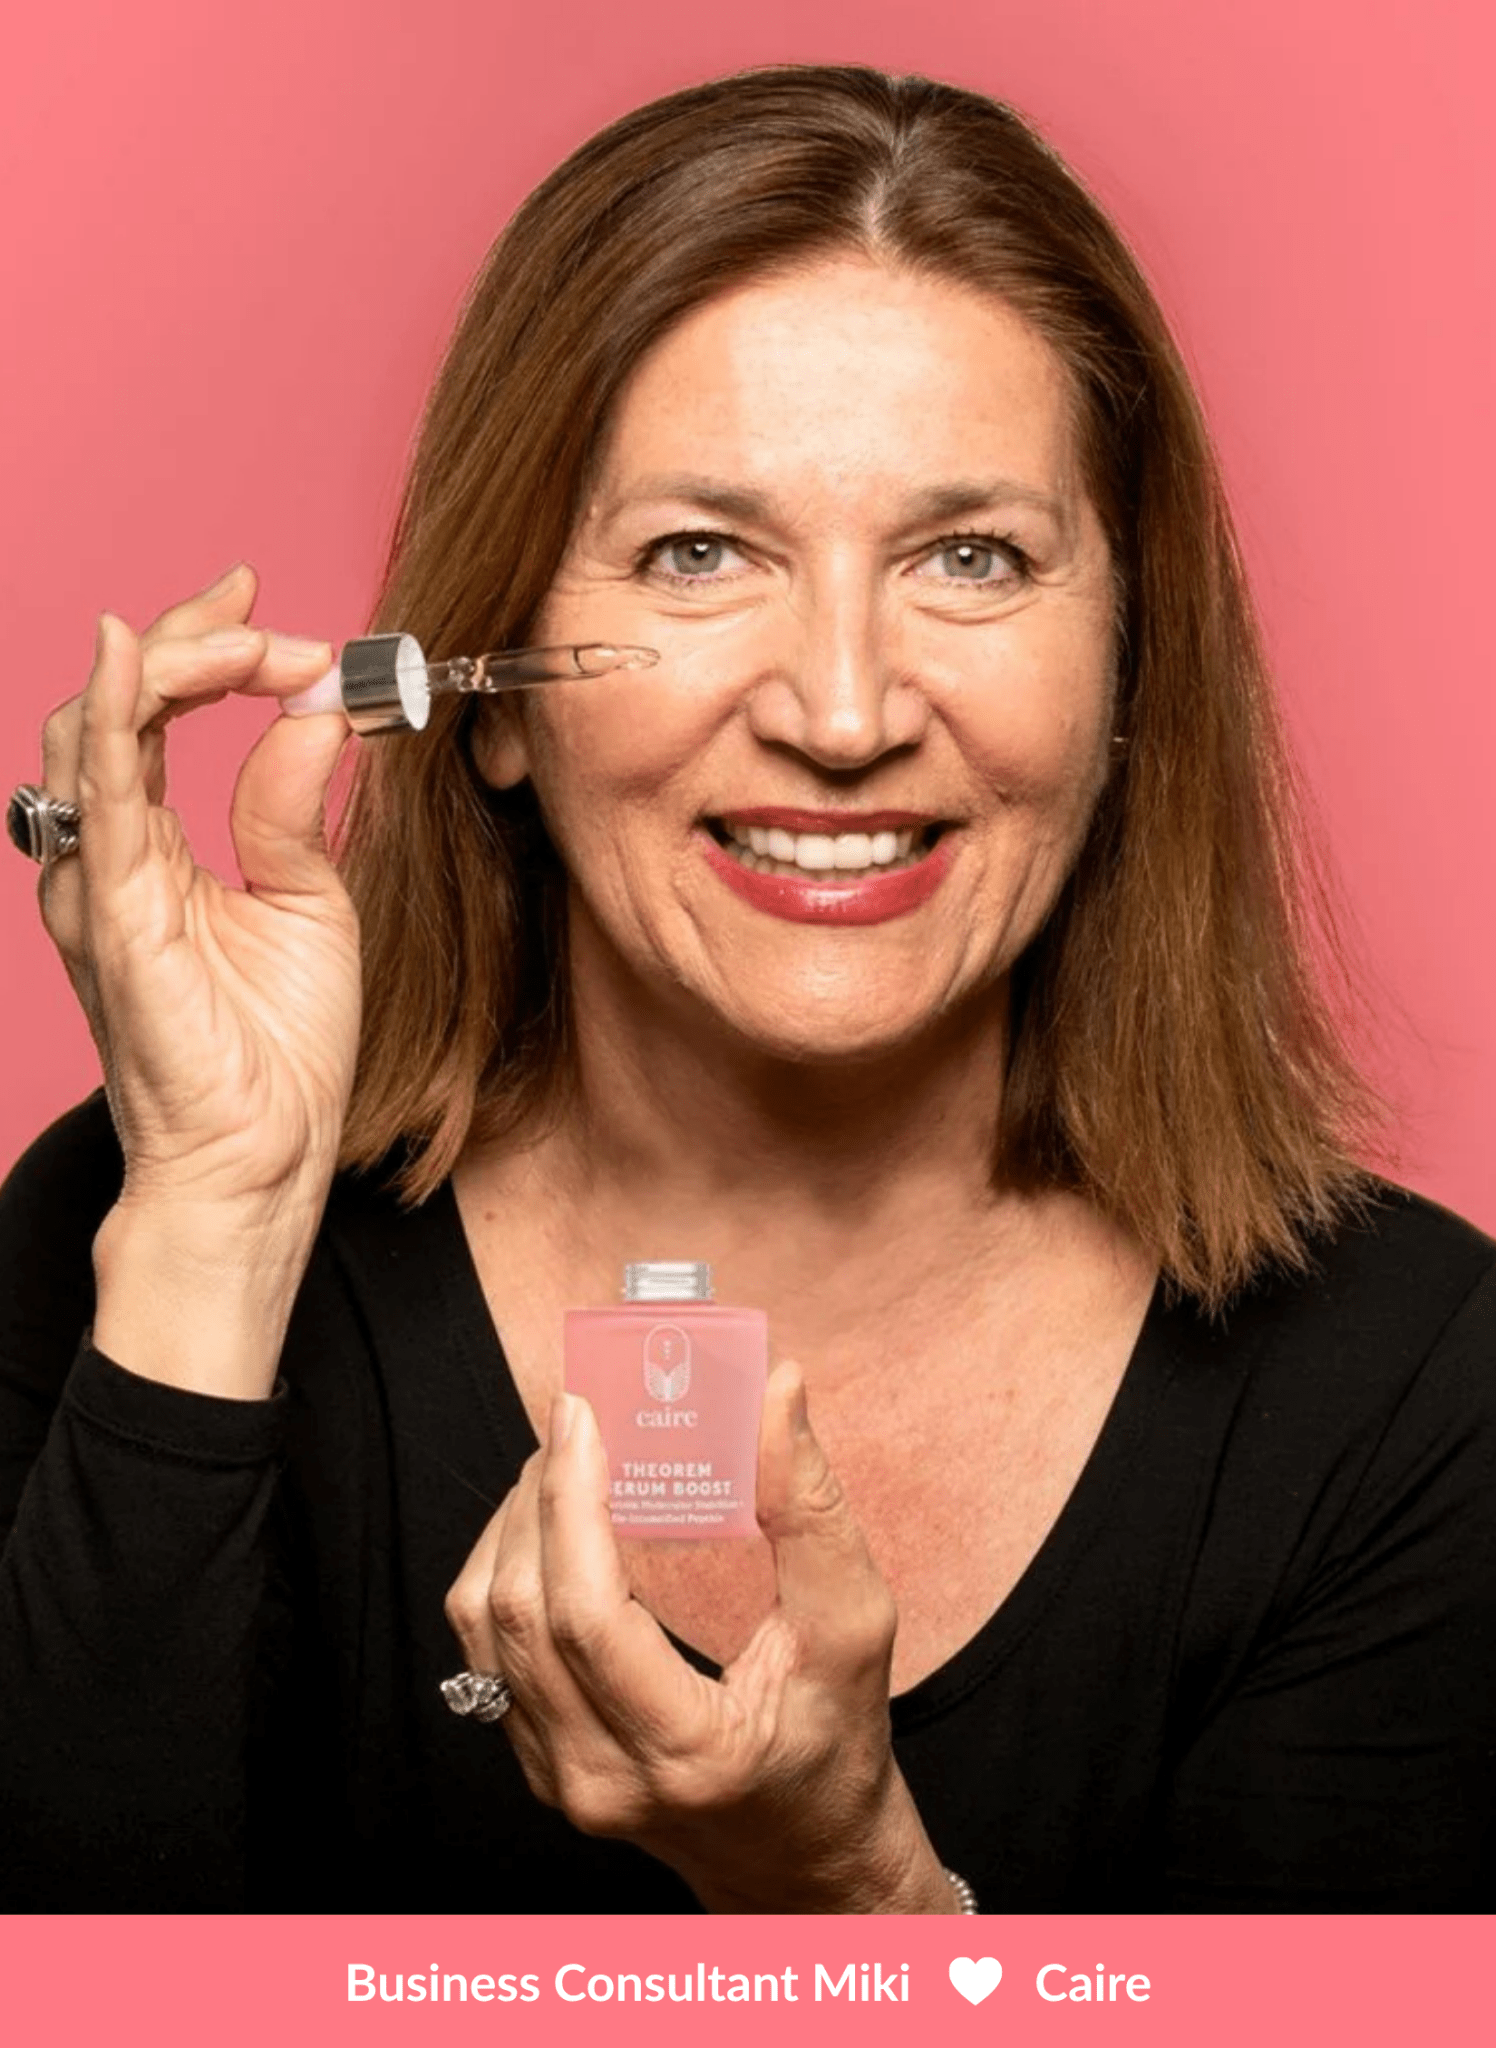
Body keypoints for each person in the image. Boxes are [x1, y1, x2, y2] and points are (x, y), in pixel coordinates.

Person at [1, 65, 1492, 1915]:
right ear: (487, 702)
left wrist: (853, 1903)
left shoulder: (1415, 1391)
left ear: (1128, 684)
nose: (843, 714)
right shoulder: (134, 1230)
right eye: (699, 554)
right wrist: (215, 1232)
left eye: (971, 558)